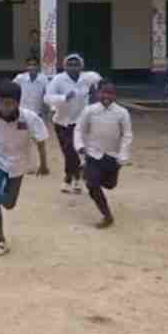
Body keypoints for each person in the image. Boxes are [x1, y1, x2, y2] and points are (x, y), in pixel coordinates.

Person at [0, 80, 50, 256]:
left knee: (9, 204)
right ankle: (0, 239)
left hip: (19, 164)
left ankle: (3, 200)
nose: (4, 107)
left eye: (9, 103)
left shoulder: (29, 118)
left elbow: (41, 141)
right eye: (1, 103)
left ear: (18, 102)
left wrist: (44, 164)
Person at [74, 82, 133, 229]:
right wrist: (80, 146)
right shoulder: (89, 111)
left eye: (110, 93)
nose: (106, 96)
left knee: (110, 184)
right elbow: (79, 129)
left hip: (112, 156)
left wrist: (123, 156)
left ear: (114, 95)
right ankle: (107, 215)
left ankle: (93, 175)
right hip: (93, 154)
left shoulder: (122, 113)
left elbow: (127, 135)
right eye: (103, 92)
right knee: (92, 184)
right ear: (98, 94)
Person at [44, 53, 104, 195]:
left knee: (73, 149)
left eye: (76, 64)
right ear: (64, 66)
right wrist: (64, 97)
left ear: (81, 66)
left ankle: (70, 179)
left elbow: (101, 82)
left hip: (80, 122)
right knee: (68, 152)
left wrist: (97, 93)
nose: (73, 66)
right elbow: (47, 98)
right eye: (69, 64)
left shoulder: (87, 77)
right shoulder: (59, 79)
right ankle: (73, 177)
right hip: (61, 122)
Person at [13, 56, 49, 121]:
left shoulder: (43, 79)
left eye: (34, 65)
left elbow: (48, 93)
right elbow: (11, 89)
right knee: (22, 130)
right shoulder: (20, 78)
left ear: (38, 66)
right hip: (22, 113)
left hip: (37, 113)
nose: (32, 67)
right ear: (26, 67)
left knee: (36, 131)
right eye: (29, 65)